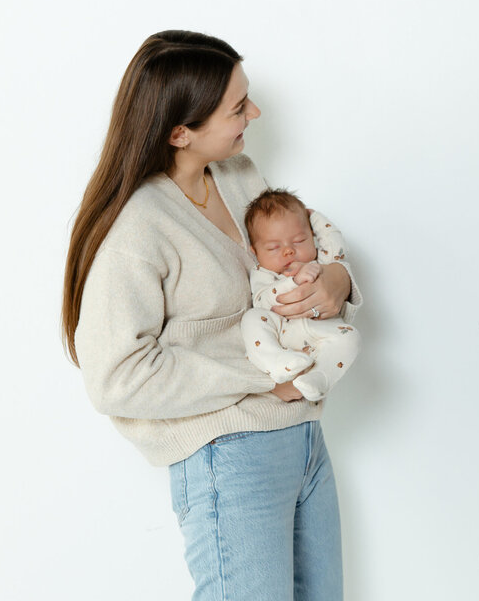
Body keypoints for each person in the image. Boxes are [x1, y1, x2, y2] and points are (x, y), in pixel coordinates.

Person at [62, 30, 359, 601]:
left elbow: (294, 254)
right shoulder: (138, 229)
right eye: (237, 107)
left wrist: (339, 282)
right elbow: (116, 378)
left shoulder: (238, 175)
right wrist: (270, 372)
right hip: (230, 455)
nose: (256, 112)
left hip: (302, 441)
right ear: (180, 133)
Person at [242, 188, 360, 402]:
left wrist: (312, 216)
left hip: (321, 333)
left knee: (351, 337)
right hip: (281, 332)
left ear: (312, 237)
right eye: (273, 247)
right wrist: (293, 281)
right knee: (251, 319)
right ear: (255, 251)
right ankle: (275, 361)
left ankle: (319, 377)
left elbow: (336, 245)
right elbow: (262, 301)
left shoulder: (321, 264)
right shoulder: (263, 273)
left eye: (298, 241)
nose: (288, 251)